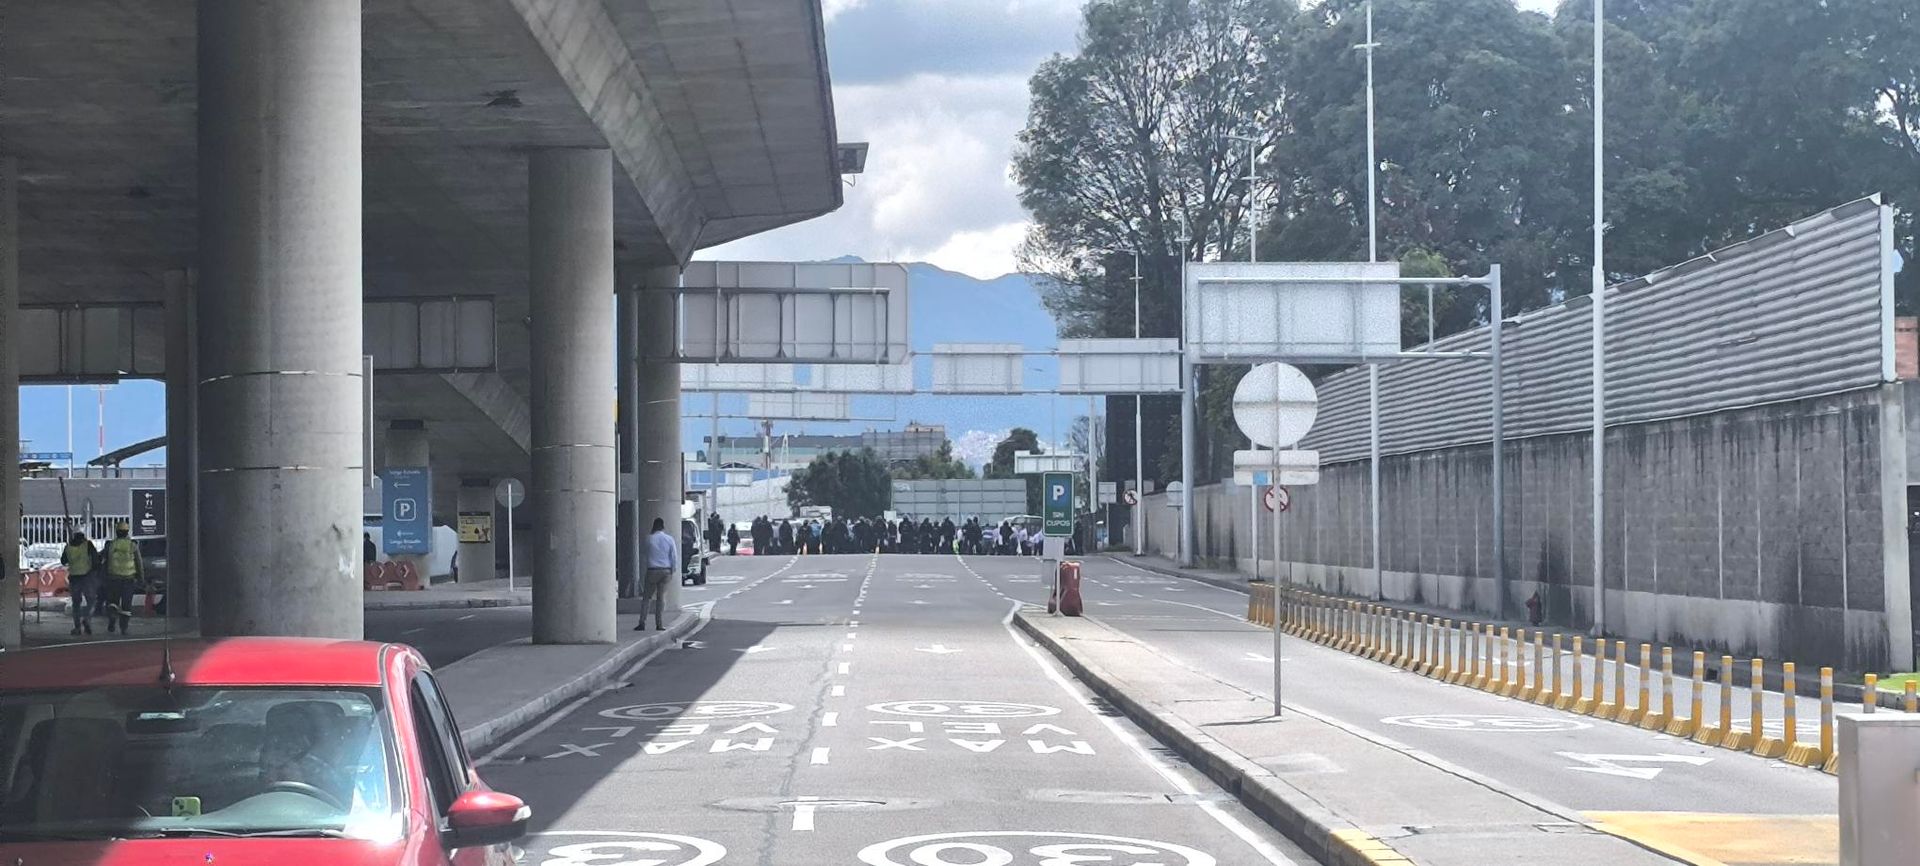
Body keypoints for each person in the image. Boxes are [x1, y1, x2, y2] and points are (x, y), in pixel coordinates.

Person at [101, 522, 144, 635]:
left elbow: (104, 561)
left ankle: (112, 618)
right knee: (126, 605)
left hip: (113, 578)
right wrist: (141, 578)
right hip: (129, 579)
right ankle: (124, 628)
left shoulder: (110, 545)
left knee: (112, 602)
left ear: (117, 532)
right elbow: (139, 563)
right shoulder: (132, 545)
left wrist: (103, 577)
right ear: (127, 532)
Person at [637, 517, 676, 631]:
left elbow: (644, 554)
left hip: (652, 570)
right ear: (663, 526)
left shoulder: (649, 539)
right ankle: (659, 624)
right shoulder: (669, 539)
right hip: (666, 570)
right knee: (661, 598)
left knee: (647, 597)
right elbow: (673, 556)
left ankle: (642, 622)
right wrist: (673, 569)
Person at [61, 530, 100, 636]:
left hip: (74, 578)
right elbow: (96, 560)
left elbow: (63, 561)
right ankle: (87, 618)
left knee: (76, 604)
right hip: (87, 577)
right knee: (91, 601)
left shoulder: (68, 547)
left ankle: (77, 628)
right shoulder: (88, 545)